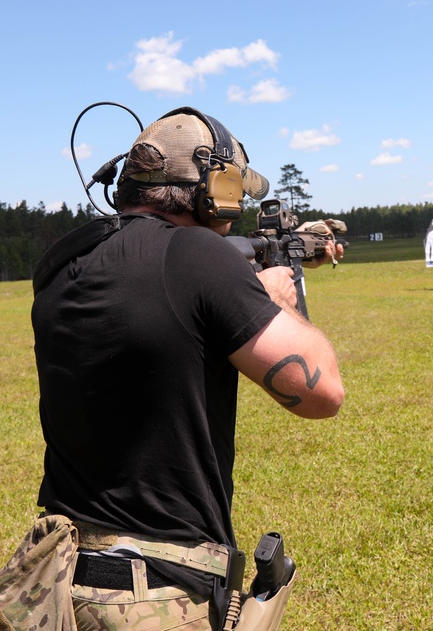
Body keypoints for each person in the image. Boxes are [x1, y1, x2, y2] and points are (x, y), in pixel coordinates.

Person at [31, 107, 345, 630]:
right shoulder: (198, 255)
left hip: (57, 585)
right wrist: (277, 299)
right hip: (155, 594)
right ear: (213, 190)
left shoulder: (64, 265)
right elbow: (323, 394)